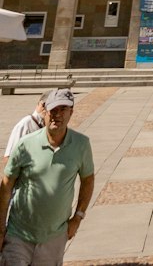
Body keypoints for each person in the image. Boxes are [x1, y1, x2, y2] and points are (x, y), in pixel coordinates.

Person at [0, 89, 94, 265]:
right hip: (18, 234)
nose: (57, 115)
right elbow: (6, 185)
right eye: (53, 110)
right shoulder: (25, 144)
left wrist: (78, 217)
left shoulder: (81, 144)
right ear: (45, 111)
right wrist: (0, 229)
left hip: (54, 237)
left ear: (71, 112)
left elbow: (88, 179)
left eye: (63, 110)